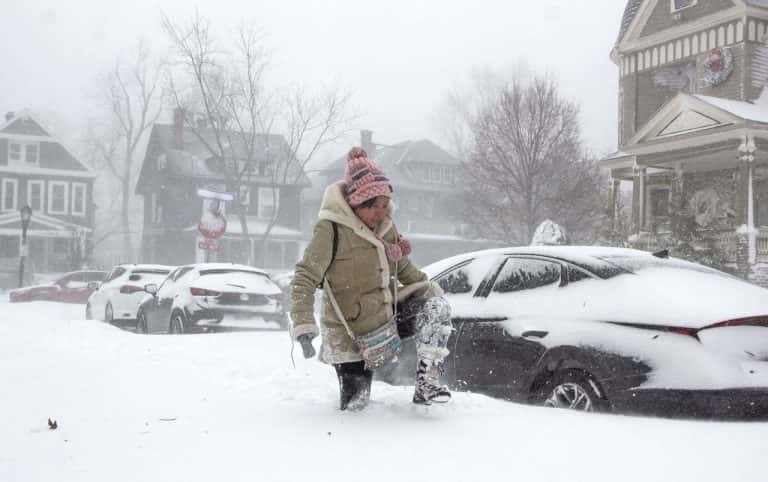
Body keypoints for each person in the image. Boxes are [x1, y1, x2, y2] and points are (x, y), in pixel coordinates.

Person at [290, 147, 453, 411]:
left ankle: (428, 383)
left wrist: (434, 292)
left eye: (384, 204)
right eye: (373, 206)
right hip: (349, 332)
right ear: (355, 204)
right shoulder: (331, 228)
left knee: (435, 307)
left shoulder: (386, 228)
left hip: (386, 319)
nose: (381, 212)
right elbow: (304, 277)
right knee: (356, 407)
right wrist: (304, 325)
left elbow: (406, 271)